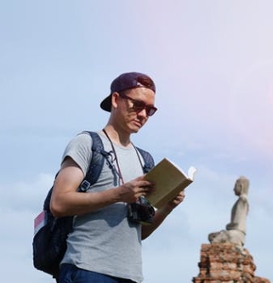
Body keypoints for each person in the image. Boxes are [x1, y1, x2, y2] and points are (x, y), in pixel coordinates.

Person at [50, 72, 185, 283]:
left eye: (150, 110)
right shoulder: (87, 143)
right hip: (86, 269)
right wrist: (118, 194)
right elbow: (58, 203)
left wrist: (168, 207)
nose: (143, 115)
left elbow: (140, 232)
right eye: (137, 105)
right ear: (115, 99)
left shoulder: (145, 160)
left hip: (131, 276)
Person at [208, 176, 249, 246]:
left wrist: (227, 227)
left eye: (235, 186)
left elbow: (236, 224)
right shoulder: (241, 201)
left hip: (237, 234)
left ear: (241, 186)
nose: (233, 189)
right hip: (236, 233)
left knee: (214, 239)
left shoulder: (242, 201)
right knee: (211, 236)